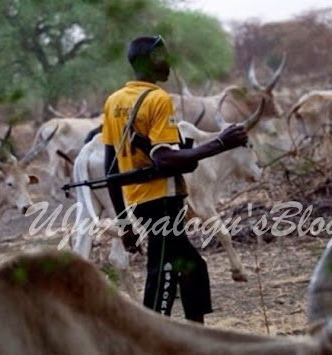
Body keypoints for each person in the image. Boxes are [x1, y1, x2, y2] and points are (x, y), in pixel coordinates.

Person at [100, 35, 248, 324]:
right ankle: (152, 336)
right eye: (163, 56)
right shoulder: (157, 99)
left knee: (193, 267)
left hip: (140, 201)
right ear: (151, 60)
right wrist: (221, 143)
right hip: (162, 200)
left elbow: (111, 167)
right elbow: (164, 159)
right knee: (162, 275)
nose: (169, 62)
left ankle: (195, 334)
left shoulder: (114, 101)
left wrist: (124, 222)